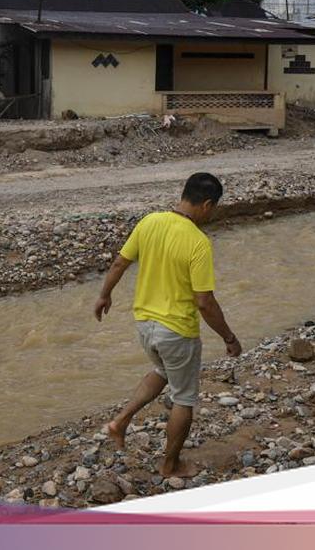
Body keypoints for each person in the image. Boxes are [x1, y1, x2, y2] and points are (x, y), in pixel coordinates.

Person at [93, 172, 241, 478]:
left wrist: (104, 295)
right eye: (212, 209)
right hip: (177, 331)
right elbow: (205, 302)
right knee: (184, 400)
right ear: (207, 204)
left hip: (144, 325)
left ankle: (120, 422)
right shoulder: (198, 242)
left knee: (162, 371)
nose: (211, 215)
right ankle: (170, 464)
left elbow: (120, 262)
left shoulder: (149, 222)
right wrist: (228, 336)